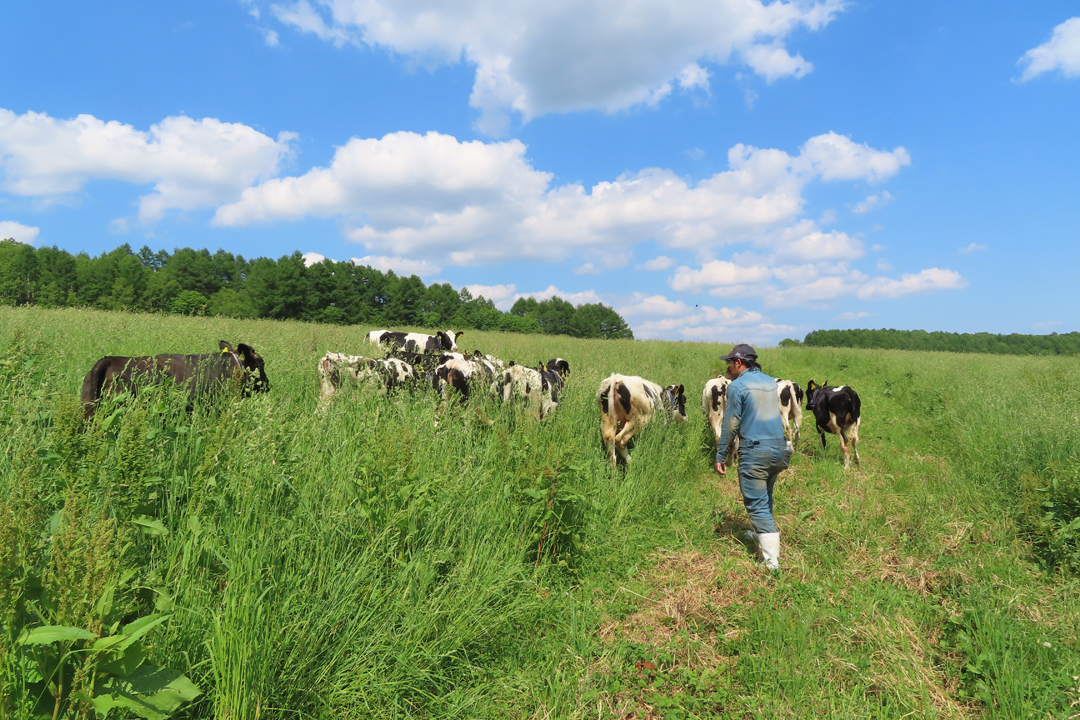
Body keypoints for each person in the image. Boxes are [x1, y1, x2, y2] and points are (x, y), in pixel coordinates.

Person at [715, 344, 792, 571]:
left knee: (757, 505)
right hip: (779, 449)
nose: (727, 367)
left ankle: (771, 563)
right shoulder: (770, 381)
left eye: (729, 362)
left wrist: (721, 454)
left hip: (755, 451)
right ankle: (761, 534)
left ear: (739, 362)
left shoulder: (738, 386)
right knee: (766, 495)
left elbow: (730, 424)